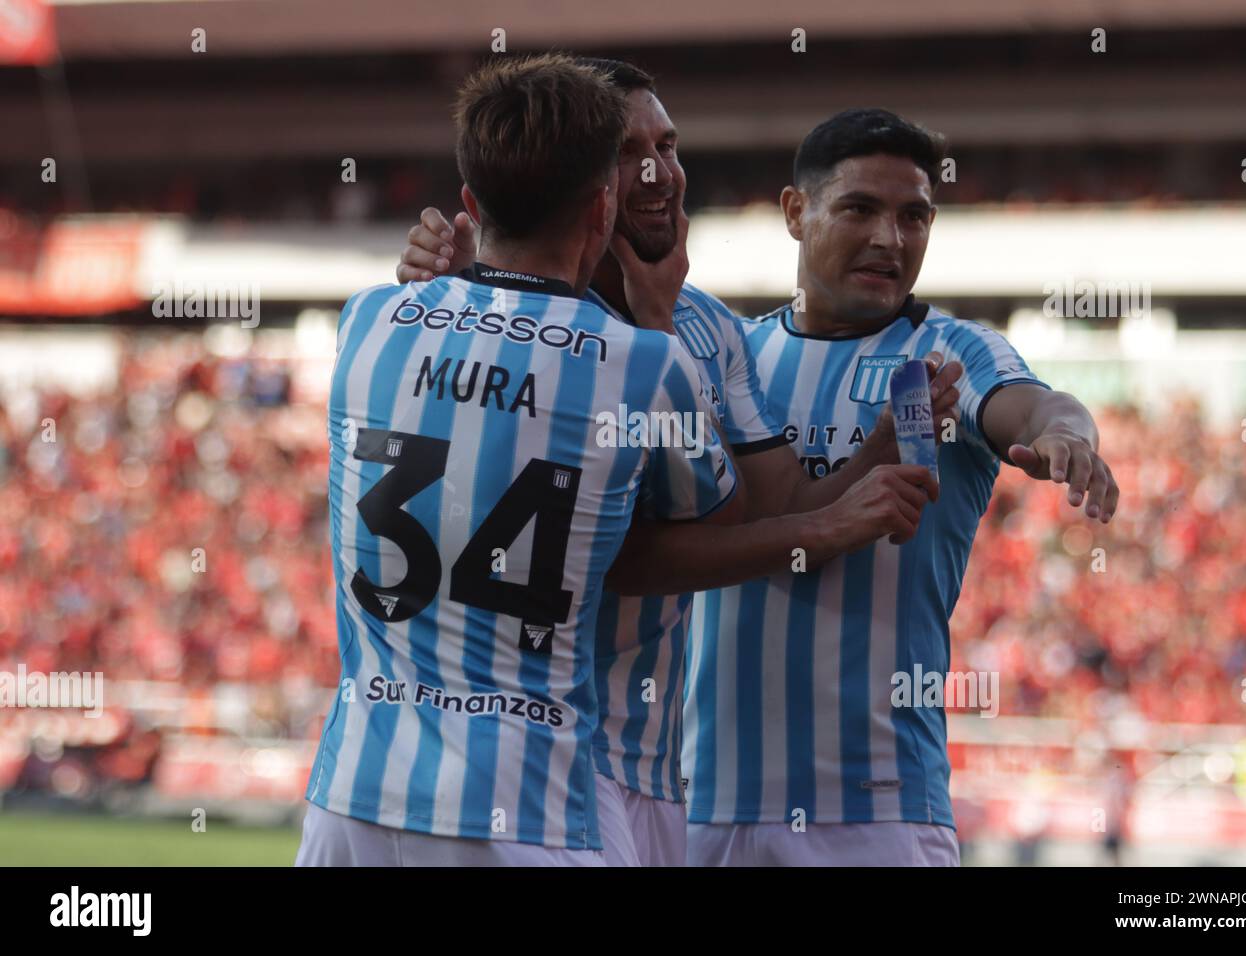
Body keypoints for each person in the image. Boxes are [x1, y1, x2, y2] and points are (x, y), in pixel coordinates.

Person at [397, 61, 952, 865]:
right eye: (631, 152)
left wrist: (870, 460)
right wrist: (831, 524)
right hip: (544, 753)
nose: (662, 174)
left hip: (656, 772)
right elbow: (625, 550)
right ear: (584, 182)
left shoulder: (710, 328)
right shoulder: (508, 315)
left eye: (669, 144)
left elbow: (773, 506)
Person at [297, 53, 738, 866]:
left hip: (354, 792)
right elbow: (718, 518)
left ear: (470, 201)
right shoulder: (648, 363)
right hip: (526, 804)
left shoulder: (366, 320)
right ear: (602, 206)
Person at [683, 108, 1119, 866]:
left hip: (877, 816)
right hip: (705, 808)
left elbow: (1040, 403)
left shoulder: (949, 352)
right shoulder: (730, 358)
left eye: (914, 216)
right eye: (860, 208)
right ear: (796, 212)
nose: (892, 238)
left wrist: (1066, 437)